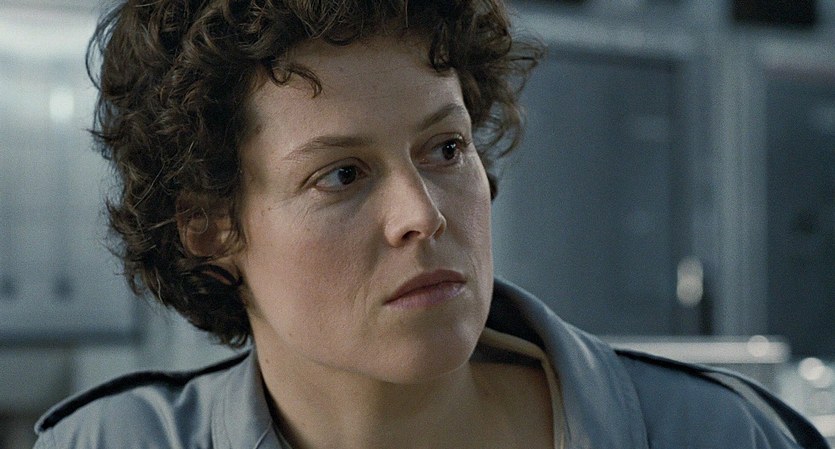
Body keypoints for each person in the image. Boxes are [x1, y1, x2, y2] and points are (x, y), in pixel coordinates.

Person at [33, 0, 829, 448]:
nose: (422, 213)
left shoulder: (717, 434)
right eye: (341, 175)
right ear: (210, 226)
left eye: (445, 148)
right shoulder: (111, 443)